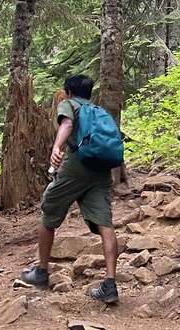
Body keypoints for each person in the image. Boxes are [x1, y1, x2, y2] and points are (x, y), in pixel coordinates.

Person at [20, 75, 120, 305]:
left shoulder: (69, 104)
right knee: (105, 224)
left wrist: (56, 146)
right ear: (90, 92)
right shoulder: (99, 111)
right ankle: (110, 284)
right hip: (102, 170)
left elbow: (66, 124)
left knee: (49, 210)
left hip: (77, 166)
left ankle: (41, 272)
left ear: (67, 92)